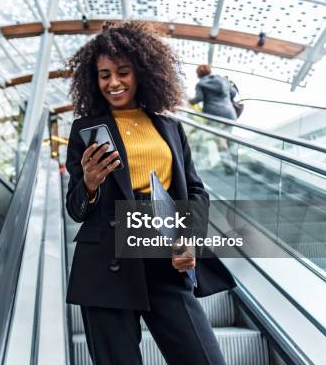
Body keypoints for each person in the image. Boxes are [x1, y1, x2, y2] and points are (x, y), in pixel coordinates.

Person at [64, 22, 235, 365]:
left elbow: (196, 190)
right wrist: (90, 184)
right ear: (93, 80)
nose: (113, 82)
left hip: (164, 256)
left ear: (142, 72)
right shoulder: (84, 130)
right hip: (105, 266)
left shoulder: (169, 127)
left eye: (123, 72)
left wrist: (190, 237)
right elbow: (76, 208)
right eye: (104, 75)